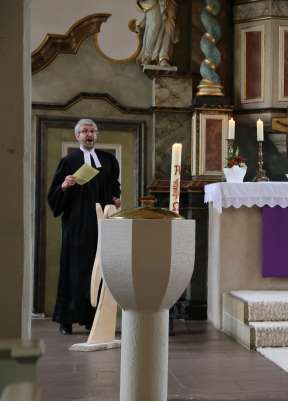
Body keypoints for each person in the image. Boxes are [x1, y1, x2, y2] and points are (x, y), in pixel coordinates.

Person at [48, 119, 121, 335]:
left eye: (92, 131)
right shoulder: (68, 161)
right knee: (73, 269)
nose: (88, 135)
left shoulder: (108, 160)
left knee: (97, 270)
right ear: (77, 136)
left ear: (96, 135)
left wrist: (116, 199)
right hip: (76, 224)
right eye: (84, 131)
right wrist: (64, 186)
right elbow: (54, 196)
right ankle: (66, 320)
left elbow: (114, 188)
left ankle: (93, 319)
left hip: (101, 225)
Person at [135, 0, 179, 67]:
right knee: (154, 26)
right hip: (152, 3)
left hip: (168, 2)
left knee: (168, 27)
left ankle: (163, 57)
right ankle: (147, 57)